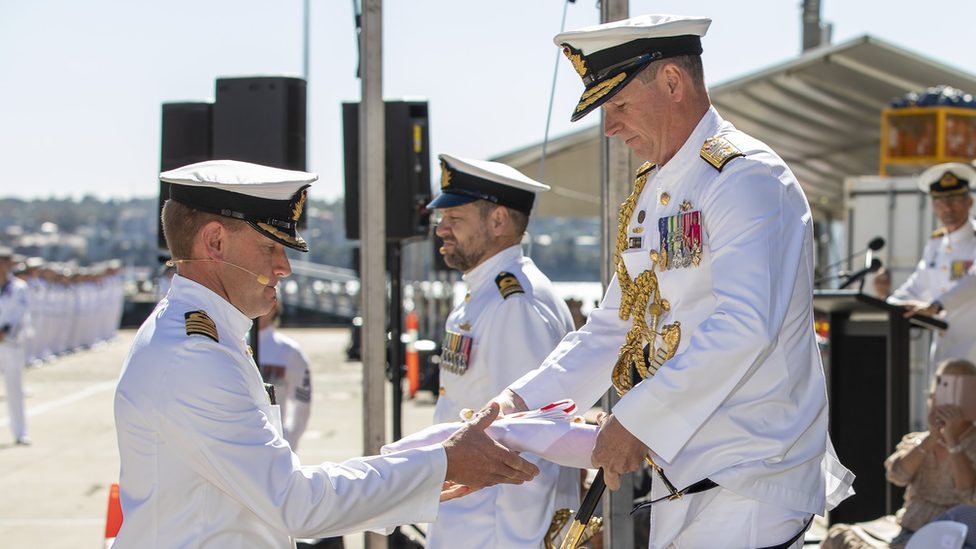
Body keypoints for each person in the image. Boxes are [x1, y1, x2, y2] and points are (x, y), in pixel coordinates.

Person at [490, 14, 853, 548]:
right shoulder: (654, 190)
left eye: (618, 105)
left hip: (750, 477)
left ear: (672, 82)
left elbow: (745, 325)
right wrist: (516, 403)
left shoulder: (747, 177)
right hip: (681, 476)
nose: (610, 128)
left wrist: (636, 422)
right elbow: (613, 328)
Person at [113, 159, 539, 547]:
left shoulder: (204, 336)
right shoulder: (194, 356)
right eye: (269, 247)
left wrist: (429, 468)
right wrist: (440, 464)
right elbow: (295, 502)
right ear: (215, 242)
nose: (284, 267)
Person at [425, 154, 579, 548]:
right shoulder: (486, 294)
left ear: (498, 221)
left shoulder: (515, 304)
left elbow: (531, 441)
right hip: (470, 524)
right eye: (442, 218)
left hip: (498, 532)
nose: (441, 229)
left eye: (454, 217)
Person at [822, 358, 976, 548]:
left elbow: (969, 495)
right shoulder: (921, 439)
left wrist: (953, 442)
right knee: (839, 538)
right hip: (906, 526)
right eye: (942, 388)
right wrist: (931, 438)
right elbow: (897, 475)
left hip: (951, 535)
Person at [889, 162, 976, 364]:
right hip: (943, 354)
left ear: (969, 202)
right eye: (941, 201)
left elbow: (973, 281)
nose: (947, 207)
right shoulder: (936, 244)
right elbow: (917, 286)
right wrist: (889, 305)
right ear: (933, 206)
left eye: (954, 200)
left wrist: (936, 306)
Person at [256, 301, 312, 450]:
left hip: (274, 442)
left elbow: (302, 400)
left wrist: (290, 437)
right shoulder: (232, 343)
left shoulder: (289, 351)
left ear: (275, 306)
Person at [0, 247, 32, 446]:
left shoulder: (19, 287)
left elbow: (22, 314)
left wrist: (5, 331)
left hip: (10, 343)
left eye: (5, 262)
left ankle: (20, 432)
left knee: (14, 389)